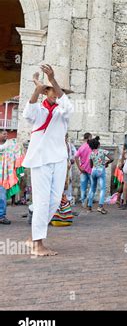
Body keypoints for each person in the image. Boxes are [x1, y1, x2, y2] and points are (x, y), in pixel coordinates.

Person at [22, 65, 74, 256]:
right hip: (40, 160)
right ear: (45, 93)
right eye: (50, 90)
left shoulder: (63, 111)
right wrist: (37, 88)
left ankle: (33, 237)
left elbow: (68, 105)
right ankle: (38, 244)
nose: (55, 93)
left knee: (54, 201)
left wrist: (52, 80)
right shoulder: (39, 111)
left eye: (57, 90)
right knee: (42, 201)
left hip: (59, 158)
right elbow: (28, 113)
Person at [87, 136, 113, 214]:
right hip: (101, 171)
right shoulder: (103, 151)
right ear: (98, 145)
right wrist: (106, 163)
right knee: (102, 189)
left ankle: (89, 207)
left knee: (92, 188)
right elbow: (112, 158)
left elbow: (91, 165)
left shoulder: (91, 153)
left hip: (93, 171)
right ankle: (100, 207)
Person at [75, 132, 92, 208]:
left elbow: (76, 156)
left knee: (83, 187)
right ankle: (88, 199)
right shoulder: (91, 147)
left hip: (83, 169)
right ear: (89, 138)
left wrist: (79, 167)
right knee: (92, 186)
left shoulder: (81, 147)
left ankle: (83, 201)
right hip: (90, 169)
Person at [65, 133, 76, 203]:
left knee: (69, 180)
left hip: (68, 164)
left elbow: (76, 153)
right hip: (61, 165)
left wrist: (73, 158)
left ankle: (68, 196)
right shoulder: (58, 144)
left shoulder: (69, 145)